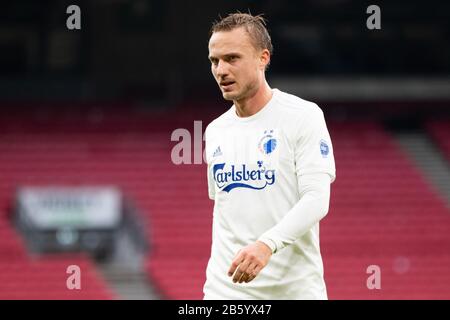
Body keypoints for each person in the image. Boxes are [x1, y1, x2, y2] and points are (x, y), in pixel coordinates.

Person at [203, 12, 336, 300]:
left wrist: (266, 245)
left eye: (232, 58)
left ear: (263, 58)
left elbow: (316, 199)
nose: (221, 70)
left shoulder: (304, 116)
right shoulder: (215, 131)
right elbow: (225, 210)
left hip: (295, 291)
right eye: (215, 61)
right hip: (226, 292)